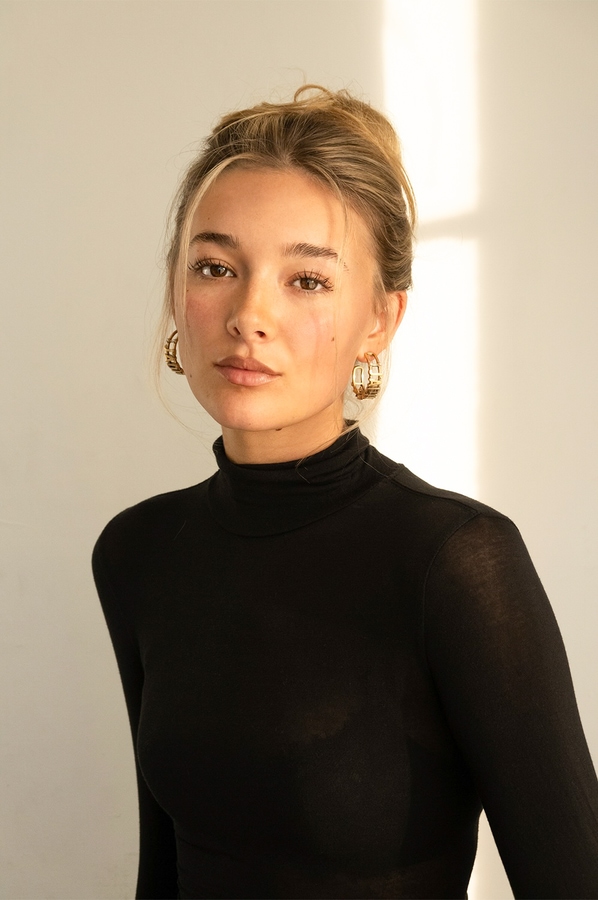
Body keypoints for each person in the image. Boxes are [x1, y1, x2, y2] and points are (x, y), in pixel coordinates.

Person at [93, 86, 598, 900]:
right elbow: (168, 871)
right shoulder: (138, 552)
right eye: (216, 267)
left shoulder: (454, 562)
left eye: (307, 280)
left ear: (379, 321)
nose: (249, 314)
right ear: (177, 292)